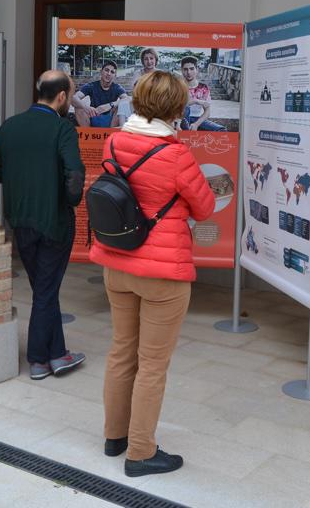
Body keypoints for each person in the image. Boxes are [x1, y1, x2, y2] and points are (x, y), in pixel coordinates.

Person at [89, 70, 215, 477]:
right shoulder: (176, 155)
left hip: (116, 261)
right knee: (153, 364)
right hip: (162, 272)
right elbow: (206, 207)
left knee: (121, 351)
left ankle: (115, 437)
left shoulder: (115, 140)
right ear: (177, 108)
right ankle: (141, 453)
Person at [0, 70, 87, 381]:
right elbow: (74, 176)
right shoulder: (62, 129)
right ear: (61, 97)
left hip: (20, 222)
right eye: (69, 95)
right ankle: (39, 359)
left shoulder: (8, 127)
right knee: (46, 290)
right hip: (54, 222)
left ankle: (58, 353)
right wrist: (70, 200)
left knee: (45, 288)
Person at [70, 60, 129, 127]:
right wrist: (86, 107)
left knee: (121, 106)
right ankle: (89, 134)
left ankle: (111, 135)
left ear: (114, 76)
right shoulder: (91, 86)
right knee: (78, 106)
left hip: (111, 121)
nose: (109, 74)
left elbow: (127, 99)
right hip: (93, 116)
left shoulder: (117, 87)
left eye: (112, 72)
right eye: (106, 70)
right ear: (101, 72)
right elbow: (73, 98)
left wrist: (110, 105)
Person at [178, 56, 226, 131]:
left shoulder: (203, 88)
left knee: (221, 130)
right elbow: (180, 106)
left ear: (197, 69)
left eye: (191, 68)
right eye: (185, 69)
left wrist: (196, 124)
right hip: (180, 119)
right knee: (186, 109)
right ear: (181, 70)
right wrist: (196, 101)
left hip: (197, 119)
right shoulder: (177, 87)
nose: (188, 72)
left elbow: (207, 110)